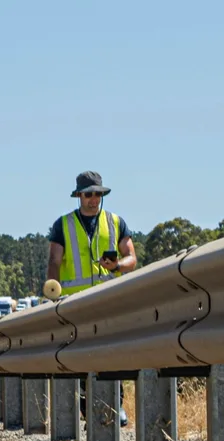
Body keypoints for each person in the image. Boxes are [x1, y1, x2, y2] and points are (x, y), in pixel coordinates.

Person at [47, 170, 138, 426]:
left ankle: (115, 406)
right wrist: (53, 293)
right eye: (88, 194)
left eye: (98, 194)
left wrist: (117, 265)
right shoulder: (62, 225)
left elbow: (132, 258)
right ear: (78, 196)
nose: (93, 199)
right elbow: (54, 261)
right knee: (82, 356)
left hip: (108, 302)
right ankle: (88, 409)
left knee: (112, 354)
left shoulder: (116, 222)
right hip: (75, 304)